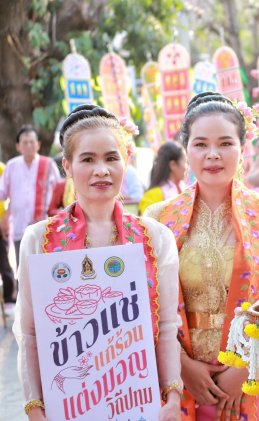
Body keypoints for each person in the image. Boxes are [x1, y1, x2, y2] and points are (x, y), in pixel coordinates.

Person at [13, 105, 182, 420]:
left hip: (140, 405)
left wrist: (172, 397)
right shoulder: (39, 240)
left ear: (125, 162)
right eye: (88, 159)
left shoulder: (155, 238)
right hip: (68, 408)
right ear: (67, 166)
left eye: (111, 158)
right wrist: (35, 407)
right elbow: (30, 334)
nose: (101, 170)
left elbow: (167, 327)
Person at [145, 92, 259, 421]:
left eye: (225, 144)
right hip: (181, 379)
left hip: (248, 382)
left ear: (242, 148)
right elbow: (147, 303)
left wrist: (248, 365)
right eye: (200, 144)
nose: (212, 155)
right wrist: (182, 366)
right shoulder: (158, 217)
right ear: (186, 149)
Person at [0, 125, 61, 265]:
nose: (28, 145)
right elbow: (2, 193)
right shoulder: (11, 166)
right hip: (19, 227)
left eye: (32, 142)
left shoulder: (48, 165)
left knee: (44, 268)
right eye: (24, 142)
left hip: (45, 227)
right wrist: (5, 216)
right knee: (22, 269)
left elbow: (59, 193)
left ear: (38, 144)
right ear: (18, 146)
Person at [139, 142, 188, 214]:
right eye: (185, 162)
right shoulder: (153, 195)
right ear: (173, 165)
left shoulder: (186, 189)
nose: (187, 167)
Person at [0, 162, 15, 302]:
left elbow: (8, 194)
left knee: (4, 262)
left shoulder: (2, 168)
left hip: (0, 222)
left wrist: (5, 219)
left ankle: (9, 297)